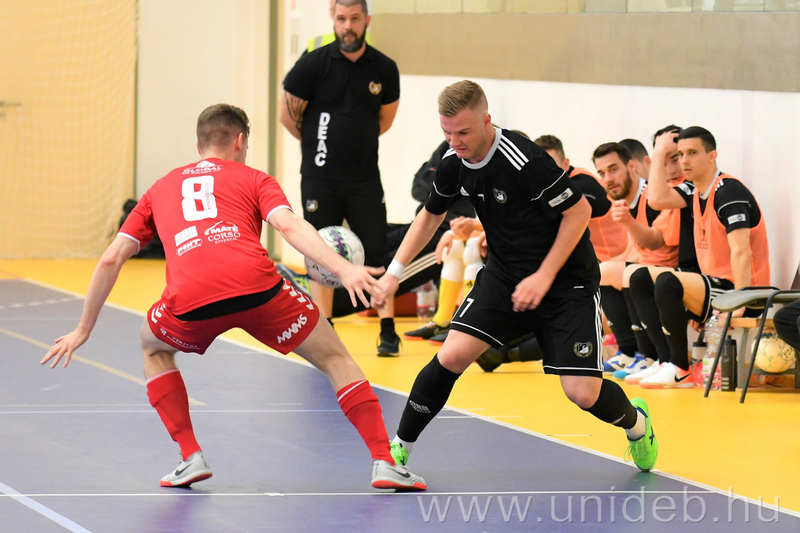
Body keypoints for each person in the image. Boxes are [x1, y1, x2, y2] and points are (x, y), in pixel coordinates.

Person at [41, 104, 425, 492]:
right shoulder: (255, 178)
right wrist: (344, 269)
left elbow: (111, 258)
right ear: (240, 141)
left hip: (190, 299)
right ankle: (384, 460)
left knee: (152, 346)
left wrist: (83, 329)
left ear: (199, 145)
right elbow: (290, 226)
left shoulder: (159, 189)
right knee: (335, 357)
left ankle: (190, 456)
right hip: (259, 289)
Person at [372, 80, 658, 474]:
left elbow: (577, 213)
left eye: (463, 132)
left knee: (582, 393)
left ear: (486, 121)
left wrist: (544, 275)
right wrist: (393, 273)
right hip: (505, 276)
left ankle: (638, 425)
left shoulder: (525, 160)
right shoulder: (454, 162)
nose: (454, 142)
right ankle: (398, 452)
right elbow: (430, 215)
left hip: (567, 282)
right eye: (447, 132)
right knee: (451, 355)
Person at [279, 0, 401, 353]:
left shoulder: (384, 68)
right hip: (320, 179)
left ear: (367, 20)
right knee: (320, 252)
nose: (348, 26)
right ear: (333, 19)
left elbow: (385, 120)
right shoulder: (312, 64)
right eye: (342, 18)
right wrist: (319, 145)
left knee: (376, 250)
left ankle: (388, 331)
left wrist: (353, 141)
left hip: (364, 179)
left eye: (355, 19)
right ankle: (326, 328)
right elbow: (288, 116)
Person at [636, 126, 770, 388]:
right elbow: (657, 199)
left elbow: (741, 252)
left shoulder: (729, 192)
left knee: (667, 281)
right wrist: (659, 151)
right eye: (680, 154)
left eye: (693, 153)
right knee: (640, 277)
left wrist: (738, 302)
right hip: (715, 286)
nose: (684, 161)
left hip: (745, 291)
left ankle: (679, 367)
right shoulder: (695, 192)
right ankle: (663, 361)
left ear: (712, 156)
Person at [476, 134, 615, 372]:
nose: (544, 172)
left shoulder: (584, 183)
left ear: (566, 164)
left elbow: (550, 217)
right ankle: (491, 341)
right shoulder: (536, 184)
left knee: (558, 304)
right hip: (580, 264)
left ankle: (504, 352)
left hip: (601, 265)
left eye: (551, 166)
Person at [592, 142, 681, 379]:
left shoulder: (652, 197)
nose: (608, 178)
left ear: (631, 166)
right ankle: (631, 352)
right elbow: (634, 251)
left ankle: (644, 354)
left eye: (613, 169)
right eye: (602, 173)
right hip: (651, 268)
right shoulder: (626, 200)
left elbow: (656, 245)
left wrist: (627, 223)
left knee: (621, 273)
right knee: (601, 272)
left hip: (670, 269)